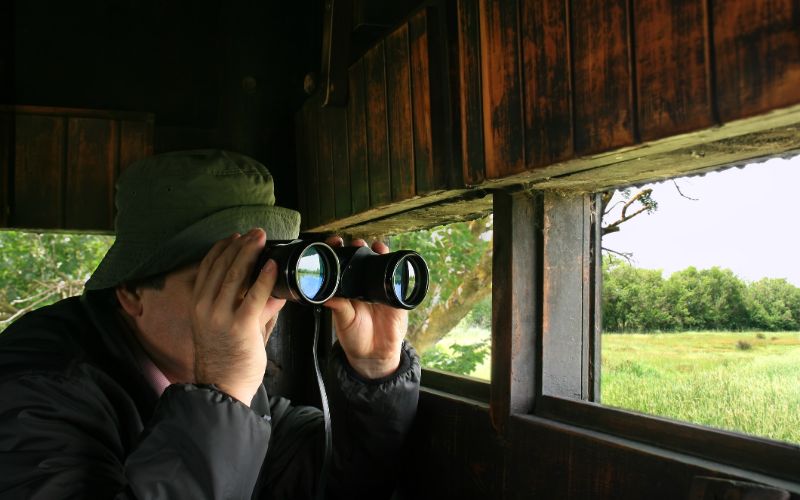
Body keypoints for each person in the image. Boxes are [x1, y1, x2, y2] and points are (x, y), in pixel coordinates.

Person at [0, 150, 421, 499]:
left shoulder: (216, 378)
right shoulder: (35, 389)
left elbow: (332, 481)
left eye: (263, 276)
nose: (249, 305)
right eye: (219, 279)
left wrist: (374, 372)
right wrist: (222, 393)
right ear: (131, 293)